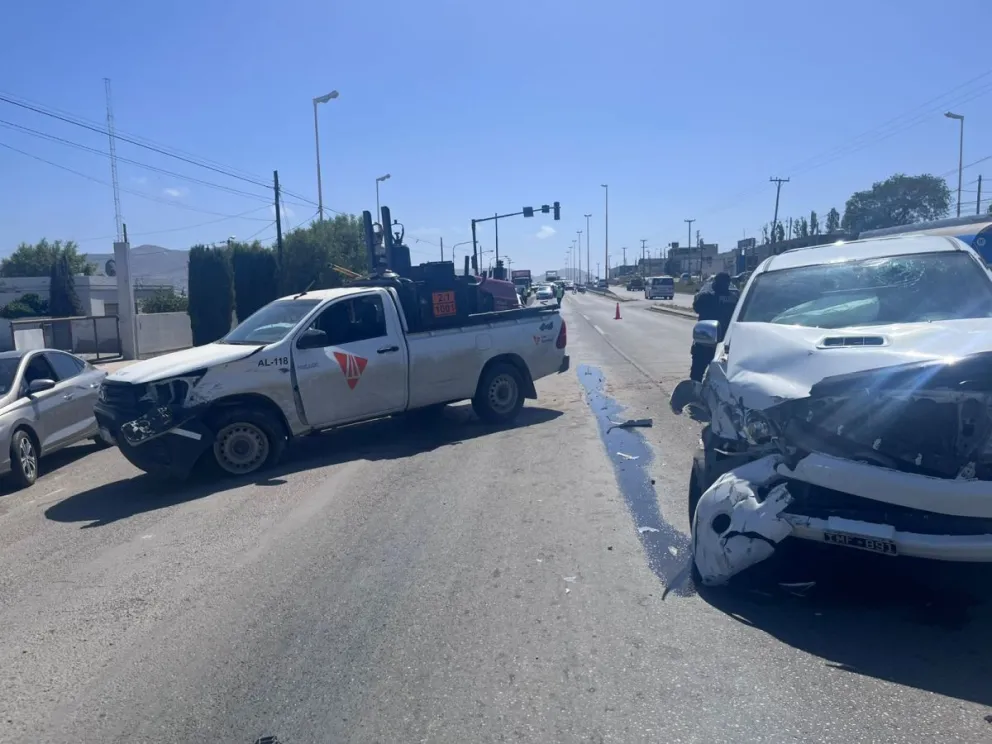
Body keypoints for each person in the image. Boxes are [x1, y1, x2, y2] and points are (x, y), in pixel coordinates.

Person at [690, 271, 739, 382]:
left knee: (696, 376)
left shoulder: (706, 297)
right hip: (728, 344)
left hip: (706, 343)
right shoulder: (734, 299)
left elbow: (696, 307)